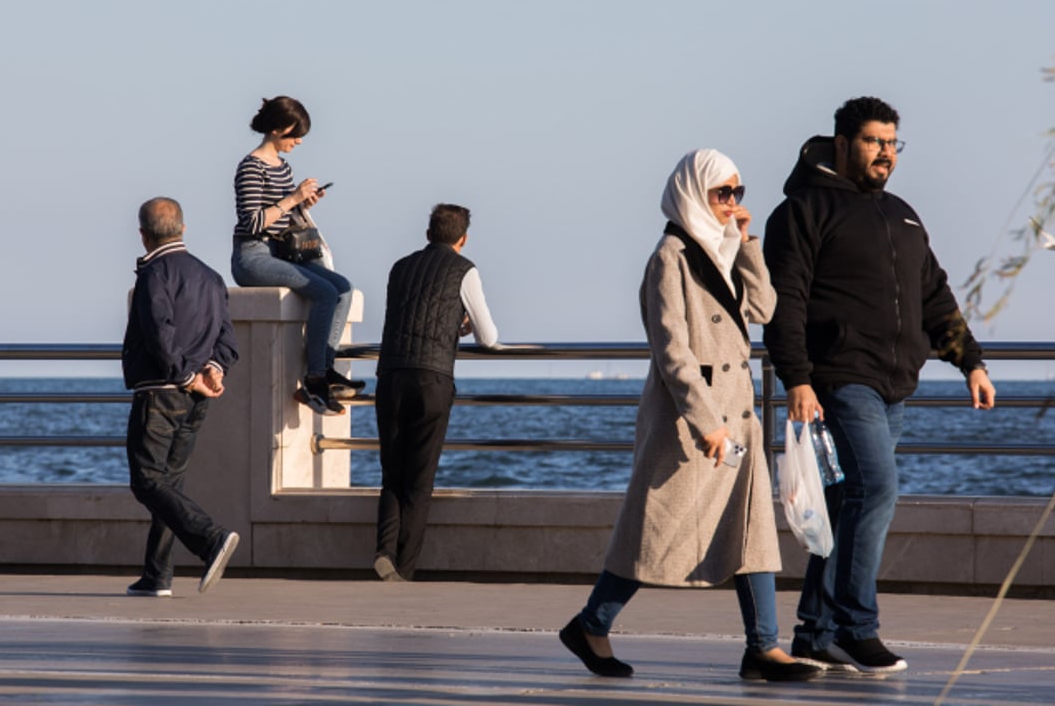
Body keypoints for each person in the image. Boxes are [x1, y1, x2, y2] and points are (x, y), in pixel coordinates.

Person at [559, 150, 820, 682]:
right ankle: (591, 624)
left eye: (738, 193)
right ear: (693, 192)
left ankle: (763, 647)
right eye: (722, 193)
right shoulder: (670, 256)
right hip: (692, 422)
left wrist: (748, 243)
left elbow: (764, 310)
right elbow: (671, 349)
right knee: (652, 531)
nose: (731, 204)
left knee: (752, 532)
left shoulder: (724, 249)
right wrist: (707, 423)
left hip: (736, 416)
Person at [763, 96, 996, 674]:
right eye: (874, 141)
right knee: (875, 491)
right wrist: (797, 378)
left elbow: (934, 295)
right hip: (839, 380)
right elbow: (783, 303)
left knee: (847, 504)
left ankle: (816, 634)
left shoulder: (902, 215)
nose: (886, 154)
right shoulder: (801, 210)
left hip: (893, 385)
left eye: (893, 143)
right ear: (842, 144)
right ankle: (853, 626)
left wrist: (970, 361)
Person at [373, 204, 500, 582]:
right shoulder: (465, 269)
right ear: (463, 239)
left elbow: (409, 315)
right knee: (420, 479)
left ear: (428, 233)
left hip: (391, 374)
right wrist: (458, 326)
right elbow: (489, 338)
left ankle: (383, 551)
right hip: (432, 378)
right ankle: (404, 569)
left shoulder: (400, 267)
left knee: (392, 474)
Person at [122, 197, 241, 597]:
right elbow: (227, 335)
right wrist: (214, 369)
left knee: (146, 481)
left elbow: (160, 332)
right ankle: (157, 575)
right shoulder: (209, 276)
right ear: (183, 229)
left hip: (161, 391)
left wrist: (187, 374)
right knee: (168, 483)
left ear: (143, 235)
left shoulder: (155, 273)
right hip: (197, 396)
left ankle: (211, 539)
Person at [230, 95, 363, 416]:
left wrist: (303, 204)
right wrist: (292, 199)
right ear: (276, 130)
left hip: (281, 251)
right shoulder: (250, 166)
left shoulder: (283, 166)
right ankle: (314, 376)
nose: (298, 141)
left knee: (343, 288)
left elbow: (284, 219)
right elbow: (252, 222)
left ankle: (325, 367)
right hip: (253, 255)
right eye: (294, 134)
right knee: (324, 292)